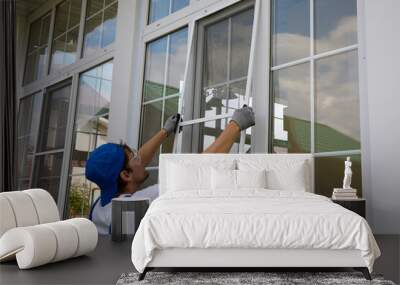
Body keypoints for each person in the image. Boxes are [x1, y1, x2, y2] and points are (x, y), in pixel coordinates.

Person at [85, 105, 255, 234]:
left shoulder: (99, 207)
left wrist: (164, 132)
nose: (139, 156)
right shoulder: (137, 205)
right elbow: (196, 169)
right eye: (134, 156)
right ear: (126, 175)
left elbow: (135, 162)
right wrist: (235, 126)